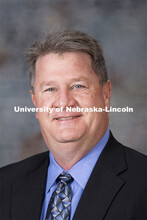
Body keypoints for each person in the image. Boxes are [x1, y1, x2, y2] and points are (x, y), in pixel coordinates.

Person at [0, 30, 147, 220]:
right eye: (50, 89)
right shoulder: (5, 185)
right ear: (36, 103)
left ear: (106, 95)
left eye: (78, 86)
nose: (64, 101)